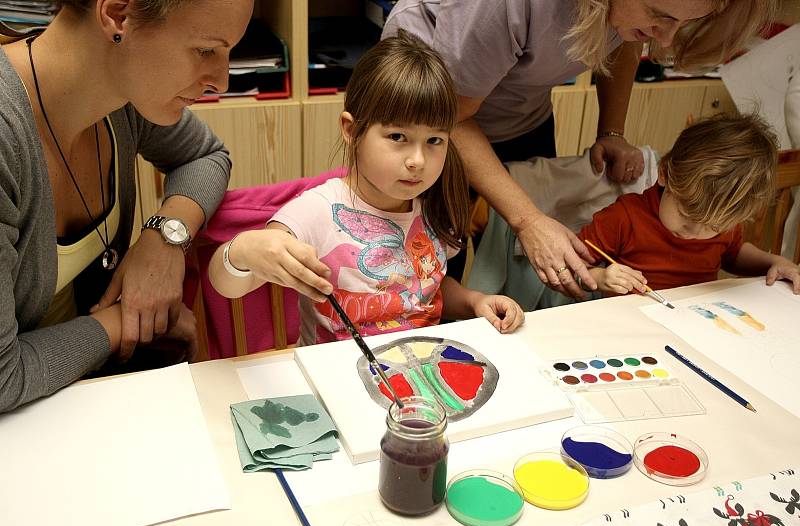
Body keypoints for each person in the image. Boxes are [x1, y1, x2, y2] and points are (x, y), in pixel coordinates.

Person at [382, 0, 778, 299]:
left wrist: (612, 130)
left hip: (517, 113)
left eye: (683, 23)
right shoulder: (503, 6)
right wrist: (528, 220)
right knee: (423, 271)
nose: (667, 38)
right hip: (431, 119)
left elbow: (626, 38)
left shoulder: (632, 15)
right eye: (659, 14)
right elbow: (449, 115)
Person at [0, 0, 253, 412]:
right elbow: (3, 379)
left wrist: (163, 238)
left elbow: (205, 156)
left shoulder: (122, 98)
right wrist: (129, 320)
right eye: (206, 50)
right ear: (118, 15)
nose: (221, 81)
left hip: (79, 402)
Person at [209, 31, 525, 346]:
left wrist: (473, 302)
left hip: (421, 370)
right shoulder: (317, 211)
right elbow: (227, 284)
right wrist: (242, 251)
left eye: (434, 141)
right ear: (352, 130)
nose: (417, 160)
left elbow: (427, 292)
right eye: (398, 137)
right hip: (337, 376)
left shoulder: (433, 205)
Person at [578, 114, 800, 296]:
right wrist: (600, 277)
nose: (694, 231)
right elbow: (570, 265)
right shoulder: (624, 217)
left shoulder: (722, 215)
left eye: (712, 227)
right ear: (664, 173)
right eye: (686, 214)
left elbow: (733, 255)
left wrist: (776, 261)